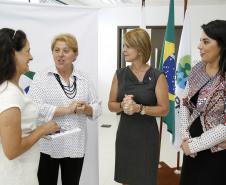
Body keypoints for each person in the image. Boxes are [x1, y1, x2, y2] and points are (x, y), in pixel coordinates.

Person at [28, 33, 101, 185]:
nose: (60, 55)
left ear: (75, 55)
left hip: (75, 145)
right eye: (56, 50)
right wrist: (67, 110)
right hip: (48, 145)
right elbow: (35, 108)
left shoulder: (84, 78)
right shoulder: (41, 77)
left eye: (66, 51)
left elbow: (97, 107)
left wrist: (86, 109)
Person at [108, 28, 169, 185]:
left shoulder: (157, 76)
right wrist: (122, 105)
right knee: (127, 179)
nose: (124, 50)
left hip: (147, 137)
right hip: (125, 136)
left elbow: (164, 109)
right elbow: (111, 105)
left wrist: (140, 108)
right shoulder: (119, 74)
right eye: (124, 46)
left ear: (140, 48)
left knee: (145, 179)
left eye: (128, 46)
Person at [0, 28, 60, 185]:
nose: (31, 57)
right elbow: (12, 151)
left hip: (24, 170)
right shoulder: (10, 95)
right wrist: (42, 130)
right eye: (27, 51)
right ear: (13, 55)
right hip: (15, 176)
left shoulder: (13, 89)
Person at [179, 20, 226, 185]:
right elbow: (185, 103)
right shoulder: (197, 68)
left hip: (216, 151)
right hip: (190, 146)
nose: (199, 46)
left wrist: (197, 144)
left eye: (206, 41)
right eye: (200, 40)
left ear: (222, 45)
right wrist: (185, 135)